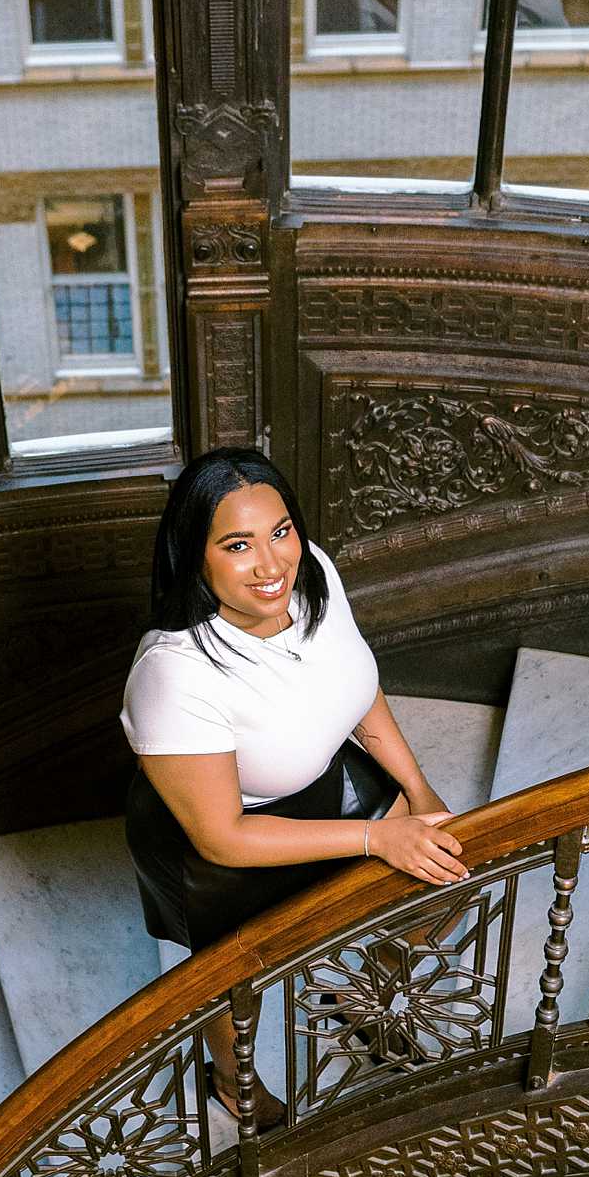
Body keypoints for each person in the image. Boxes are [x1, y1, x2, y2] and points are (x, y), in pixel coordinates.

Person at [122, 446, 466, 1131]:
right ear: (196, 556)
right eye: (238, 545)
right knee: (232, 989)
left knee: (434, 892)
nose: (272, 564)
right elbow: (222, 835)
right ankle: (232, 1082)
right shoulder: (173, 673)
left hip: (325, 784)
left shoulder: (315, 575)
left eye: (281, 532)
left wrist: (417, 792)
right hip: (221, 838)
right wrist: (377, 837)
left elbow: (359, 695)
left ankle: (365, 999)